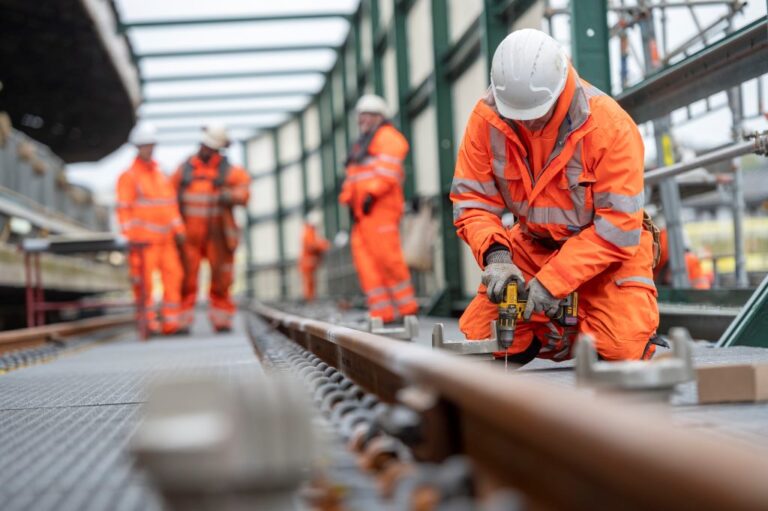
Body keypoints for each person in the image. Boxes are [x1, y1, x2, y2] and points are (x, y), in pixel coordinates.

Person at [450, 29, 660, 364]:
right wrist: (498, 257)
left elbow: (618, 228)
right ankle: (564, 330)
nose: (529, 124)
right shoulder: (487, 120)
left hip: (605, 258)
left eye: (537, 114)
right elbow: (472, 202)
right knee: (483, 337)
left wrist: (553, 282)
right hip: (533, 248)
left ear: (560, 88)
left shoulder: (610, 127)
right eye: (517, 117)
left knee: (619, 346)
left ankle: (584, 328)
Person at [339, 94, 419, 323]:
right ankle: (382, 312)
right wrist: (348, 198)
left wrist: (370, 194)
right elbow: (353, 176)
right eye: (361, 115)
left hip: (380, 210)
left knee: (388, 259)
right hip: (362, 214)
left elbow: (387, 172)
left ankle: (406, 309)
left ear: (379, 117)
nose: (363, 119)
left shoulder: (388, 138)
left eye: (368, 115)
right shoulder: (362, 143)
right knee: (367, 264)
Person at [172, 124, 251, 333]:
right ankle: (182, 320)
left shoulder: (229, 171)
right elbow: (169, 196)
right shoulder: (185, 170)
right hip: (190, 236)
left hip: (219, 235)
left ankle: (221, 319)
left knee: (222, 279)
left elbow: (244, 191)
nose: (210, 151)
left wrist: (231, 195)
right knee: (186, 279)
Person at [116, 123, 185, 335]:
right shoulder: (129, 177)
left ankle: (171, 323)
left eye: (152, 145)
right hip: (143, 242)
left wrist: (179, 230)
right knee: (144, 284)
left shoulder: (160, 174)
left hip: (165, 241)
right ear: (137, 147)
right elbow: (124, 210)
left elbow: (170, 205)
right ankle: (148, 324)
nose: (150, 149)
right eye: (146, 145)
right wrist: (129, 239)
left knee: (174, 277)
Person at [298, 213, 331, 302]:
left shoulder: (310, 232)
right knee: (309, 282)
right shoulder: (308, 232)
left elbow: (315, 243)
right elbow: (312, 245)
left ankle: (311, 299)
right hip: (307, 263)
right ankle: (309, 300)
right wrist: (324, 245)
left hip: (309, 263)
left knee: (311, 283)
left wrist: (323, 244)